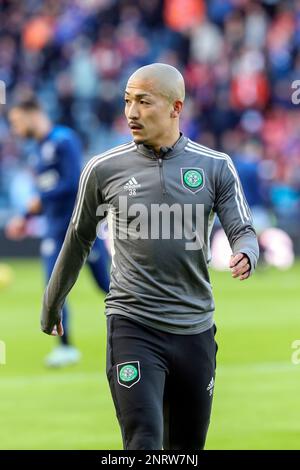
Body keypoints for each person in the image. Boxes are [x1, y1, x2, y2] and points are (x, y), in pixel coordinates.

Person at [41, 63, 259, 449]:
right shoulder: (103, 169)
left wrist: (245, 252)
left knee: (186, 449)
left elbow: (243, 229)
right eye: (127, 101)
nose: (131, 112)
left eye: (144, 101)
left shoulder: (215, 166)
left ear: (176, 107)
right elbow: (78, 240)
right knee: (143, 440)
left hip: (195, 329)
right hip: (133, 324)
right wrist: (52, 302)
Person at [6, 97, 110, 367]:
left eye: (17, 122)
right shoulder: (37, 150)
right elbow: (47, 194)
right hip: (54, 231)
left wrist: (39, 200)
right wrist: (28, 215)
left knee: (107, 286)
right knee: (53, 289)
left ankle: (148, 323)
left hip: (79, 228)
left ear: (33, 113)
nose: (15, 130)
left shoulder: (64, 140)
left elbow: (74, 182)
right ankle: (65, 348)